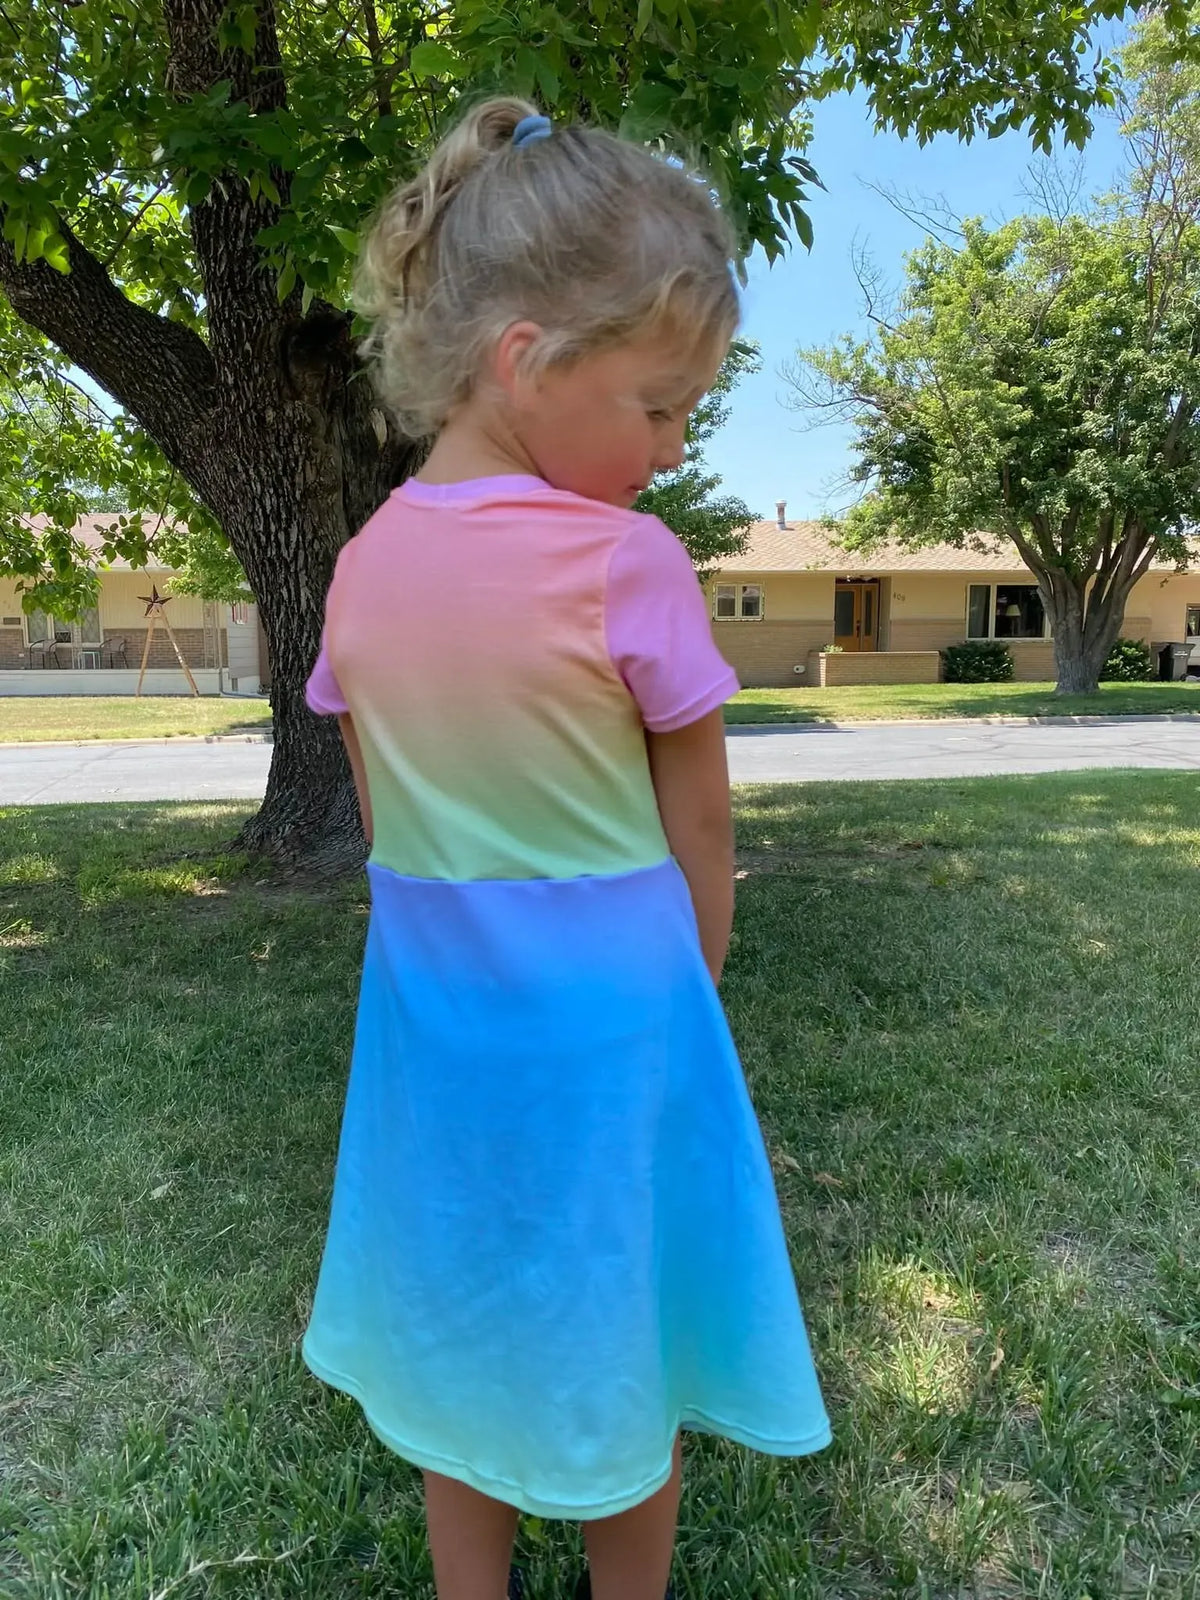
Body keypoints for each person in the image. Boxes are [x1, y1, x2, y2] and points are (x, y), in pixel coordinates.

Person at [303, 97, 831, 1600]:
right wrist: (695, 992)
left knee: (459, 1312)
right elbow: (702, 816)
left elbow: (379, 800)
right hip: (615, 1032)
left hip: (434, 1032)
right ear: (525, 358)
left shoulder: (359, 569)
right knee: (625, 1329)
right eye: (660, 408)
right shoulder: (626, 563)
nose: (669, 451)